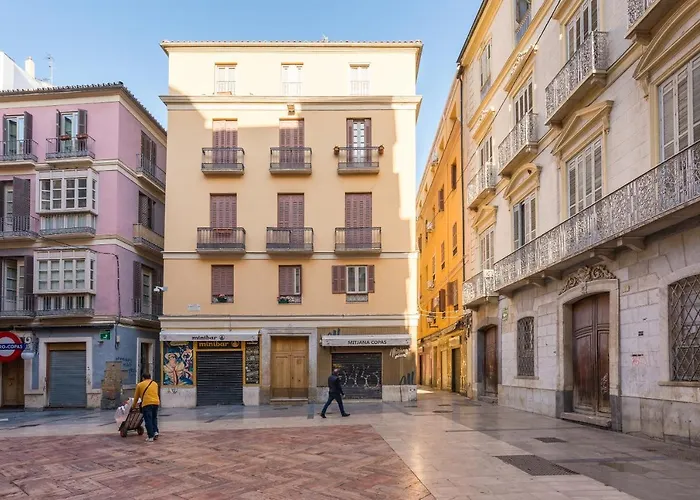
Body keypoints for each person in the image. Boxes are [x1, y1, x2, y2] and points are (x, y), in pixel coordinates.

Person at [133, 373, 160, 442]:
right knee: (154, 418)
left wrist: (133, 406)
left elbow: (136, 397)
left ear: (143, 378)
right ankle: (155, 431)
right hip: (156, 402)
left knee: (148, 420)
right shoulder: (155, 384)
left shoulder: (140, 385)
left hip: (147, 403)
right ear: (150, 377)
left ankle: (150, 436)